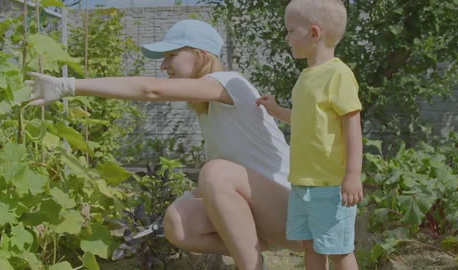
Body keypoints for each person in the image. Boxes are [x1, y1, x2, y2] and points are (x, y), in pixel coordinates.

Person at [26, 19, 303, 270]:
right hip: (271, 217)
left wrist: (67, 87)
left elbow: (151, 89)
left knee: (216, 171)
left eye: (172, 55)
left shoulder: (230, 82)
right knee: (179, 223)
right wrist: (195, 194)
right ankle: (253, 249)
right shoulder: (213, 104)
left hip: (296, 214)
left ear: (201, 55)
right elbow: (246, 172)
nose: (163, 65)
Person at [256, 0, 363, 269]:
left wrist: (352, 175)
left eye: (291, 31)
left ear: (314, 33)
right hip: (303, 183)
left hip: (330, 185)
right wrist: (276, 110)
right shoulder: (306, 76)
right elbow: (306, 120)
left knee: (338, 250)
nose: (287, 37)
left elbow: (352, 127)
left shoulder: (338, 74)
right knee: (311, 245)